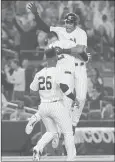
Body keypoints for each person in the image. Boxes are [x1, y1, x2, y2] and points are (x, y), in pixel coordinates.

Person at [27, 3, 90, 127]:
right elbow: (44, 27)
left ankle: (73, 122)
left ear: (76, 24)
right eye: (66, 22)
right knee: (66, 100)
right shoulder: (60, 33)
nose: (67, 24)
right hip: (66, 68)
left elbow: (81, 52)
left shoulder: (81, 33)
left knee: (81, 98)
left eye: (71, 22)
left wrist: (66, 51)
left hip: (80, 66)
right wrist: (36, 14)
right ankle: (65, 126)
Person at [26, 47, 77, 161]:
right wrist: (74, 98)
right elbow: (64, 88)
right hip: (56, 104)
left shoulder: (39, 73)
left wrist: (43, 93)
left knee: (51, 131)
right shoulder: (57, 71)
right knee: (68, 132)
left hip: (43, 105)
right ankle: (70, 158)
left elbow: (31, 91)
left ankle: (38, 148)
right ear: (55, 57)